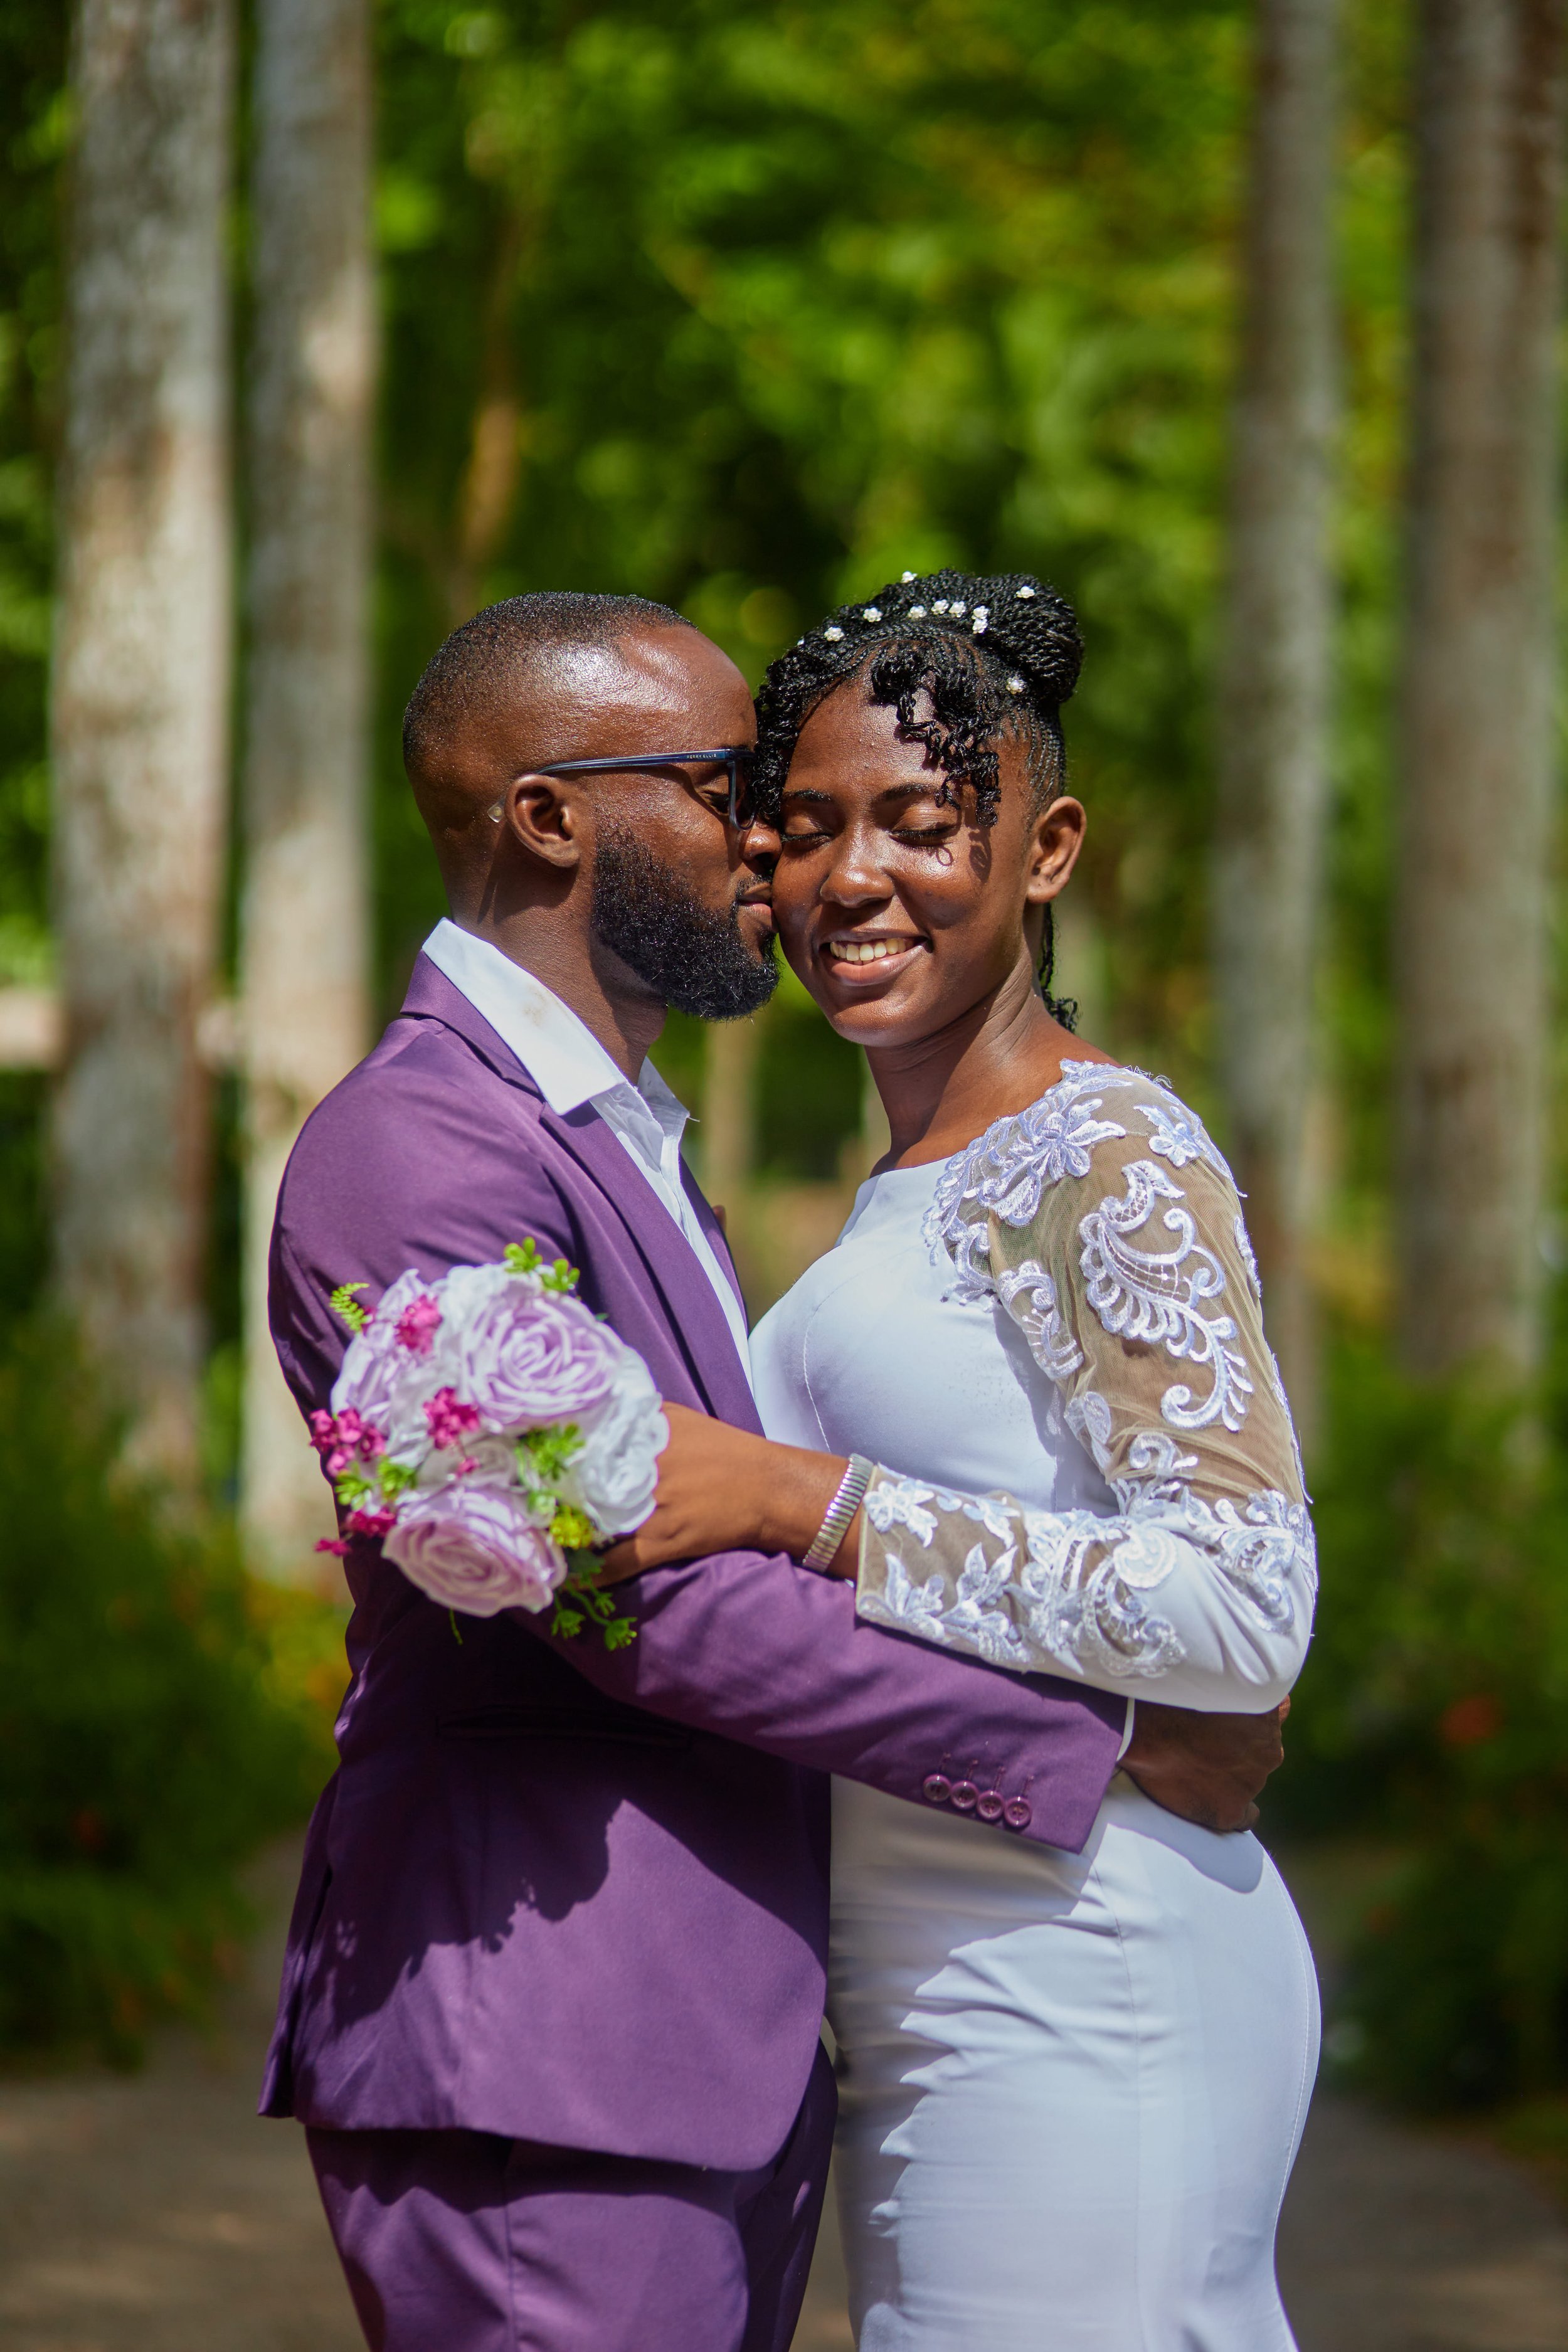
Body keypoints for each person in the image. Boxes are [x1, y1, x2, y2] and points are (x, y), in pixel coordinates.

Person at [262, 590, 1278, 2352]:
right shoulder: (419, 1151)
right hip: (551, 2027)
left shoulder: (643, 1138)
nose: (773, 847)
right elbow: (632, 1590)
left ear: (1044, 853)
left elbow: (1207, 1577)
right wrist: (1078, 1748)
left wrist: (810, 1507)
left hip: (799, 2016)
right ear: (550, 817)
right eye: (740, 793)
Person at [611, 572, 1320, 2348]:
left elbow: (1243, 1608)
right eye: (808, 829)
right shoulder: (901, 1189)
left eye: (922, 825)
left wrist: (807, 1502)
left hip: (1088, 1963)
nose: (853, 879)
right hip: (931, 1967)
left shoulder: (1098, 1152)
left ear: (1047, 845)